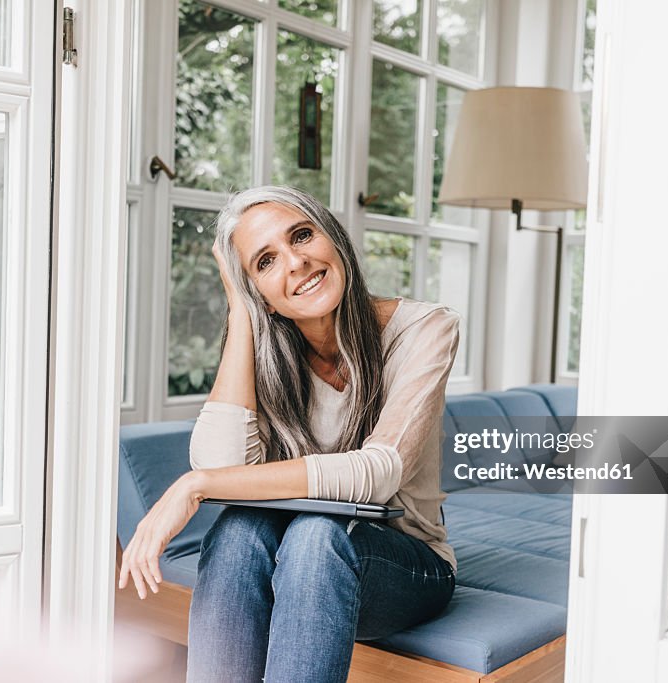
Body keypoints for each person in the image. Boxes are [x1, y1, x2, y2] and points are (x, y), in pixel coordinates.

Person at [118, 186, 460, 682]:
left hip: (406, 565)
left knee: (316, 536)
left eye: (302, 236)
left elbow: (378, 471)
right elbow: (222, 460)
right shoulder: (269, 347)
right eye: (265, 262)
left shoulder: (426, 328)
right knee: (237, 531)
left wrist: (194, 486)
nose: (296, 263)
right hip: (290, 557)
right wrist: (241, 313)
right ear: (262, 296)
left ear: (334, 239)